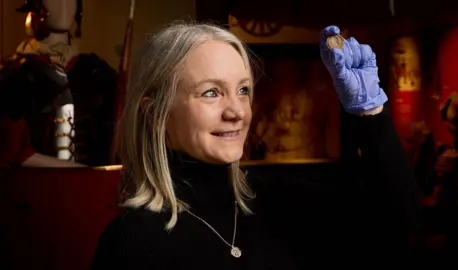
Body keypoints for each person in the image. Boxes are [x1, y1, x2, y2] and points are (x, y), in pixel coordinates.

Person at [91, 23, 421, 269]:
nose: (236, 112)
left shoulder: (279, 202)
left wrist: (372, 115)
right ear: (156, 113)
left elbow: (398, 222)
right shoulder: (130, 241)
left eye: (243, 90)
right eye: (211, 92)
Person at [0, 0, 117, 167]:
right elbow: (11, 152)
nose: (63, 4)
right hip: (36, 188)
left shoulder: (97, 71)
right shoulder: (17, 74)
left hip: (94, 188)